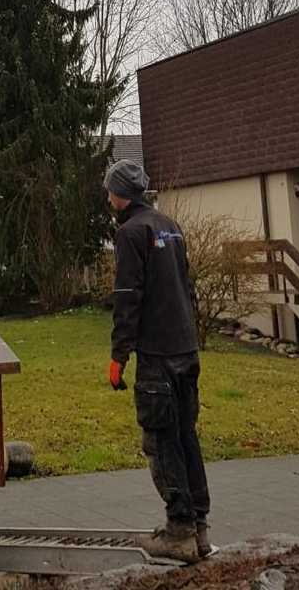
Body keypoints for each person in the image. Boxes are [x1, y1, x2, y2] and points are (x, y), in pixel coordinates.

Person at [104, 158, 211, 564]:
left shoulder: (131, 232)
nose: (108, 197)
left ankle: (179, 533)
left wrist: (119, 355)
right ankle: (199, 528)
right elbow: (186, 285)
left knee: (161, 442)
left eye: (110, 190)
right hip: (186, 349)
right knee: (186, 436)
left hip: (158, 357)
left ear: (121, 193)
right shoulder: (170, 225)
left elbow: (127, 297)